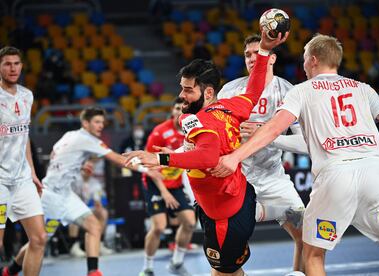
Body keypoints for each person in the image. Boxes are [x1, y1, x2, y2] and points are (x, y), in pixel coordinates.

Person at [210, 34, 379, 276]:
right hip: (377, 172)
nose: (303, 64)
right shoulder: (363, 88)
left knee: (313, 253)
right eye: (248, 54)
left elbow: (276, 129)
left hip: (330, 175)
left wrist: (238, 154)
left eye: (305, 59)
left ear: (314, 60)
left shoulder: (299, 90)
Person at [124, 30, 289, 276]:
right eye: (182, 89)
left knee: (222, 273)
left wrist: (159, 158)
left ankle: (286, 211)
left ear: (208, 93)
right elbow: (254, 90)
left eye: (188, 90)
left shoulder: (200, 121)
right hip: (234, 197)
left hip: (225, 216)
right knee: (232, 271)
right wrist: (263, 51)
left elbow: (207, 157)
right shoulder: (230, 106)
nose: (181, 96)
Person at [1, 106, 161, 276]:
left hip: (65, 195)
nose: (101, 126)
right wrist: (147, 169)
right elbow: (119, 159)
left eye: (102, 122)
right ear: (85, 123)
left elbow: (58, 153)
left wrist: (79, 164)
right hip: (51, 197)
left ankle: (93, 272)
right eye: (97, 122)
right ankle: (10, 270)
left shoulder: (70, 135)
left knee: (92, 225)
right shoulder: (88, 140)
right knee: (39, 241)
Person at [217, 34, 308, 272]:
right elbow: (215, 137)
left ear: (272, 58)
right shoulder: (229, 91)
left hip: (273, 178)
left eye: (257, 53)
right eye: (247, 54)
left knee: (307, 237)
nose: (251, 58)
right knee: (228, 250)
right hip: (239, 180)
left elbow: (305, 144)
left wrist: (267, 135)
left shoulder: (290, 92)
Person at [0, 46, 47, 276]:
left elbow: (24, 136)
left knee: (39, 238)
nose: (12, 68)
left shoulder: (27, 95)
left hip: (21, 179)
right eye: (7, 64)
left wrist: (32, 172)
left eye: (16, 63)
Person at [140, 97, 196, 276]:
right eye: (177, 108)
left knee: (189, 222)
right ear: (172, 111)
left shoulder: (191, 132)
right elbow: (149, 164)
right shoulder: (160, 132)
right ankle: (147, 268)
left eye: (184, 108)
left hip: (176, 183)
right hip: (155, 183)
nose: (180, 111)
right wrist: (164, 192)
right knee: (158, 226)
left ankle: (176, 263)